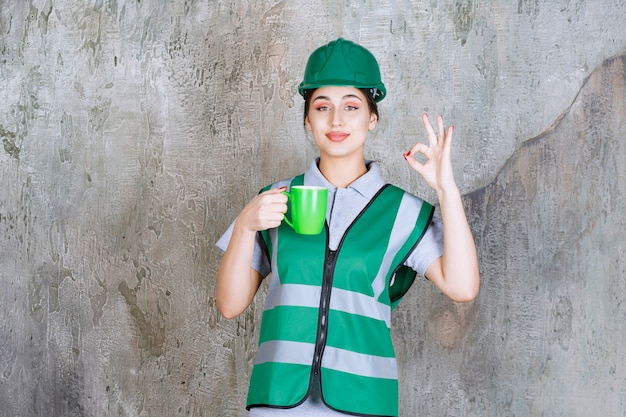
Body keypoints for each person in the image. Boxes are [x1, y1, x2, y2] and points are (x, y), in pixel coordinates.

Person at [215, 38, 479, 417]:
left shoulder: (404, 212)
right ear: (308, 119)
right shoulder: (272, 201)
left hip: (364, 402)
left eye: (351, 107)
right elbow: (229, 304)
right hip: (277, 401)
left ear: (372, 118)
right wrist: (244, 225)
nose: (336, 120)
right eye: (322, 107)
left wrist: (446, 190)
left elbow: (463, 286)